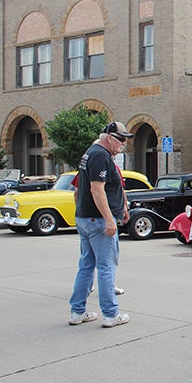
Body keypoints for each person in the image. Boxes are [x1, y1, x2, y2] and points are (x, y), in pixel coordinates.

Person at [68, 122, 133, 327]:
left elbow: (79, 189)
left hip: (86, 218)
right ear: (108, 138)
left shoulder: (91, 153)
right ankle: (111, 314)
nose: (123, 144)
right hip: (98, 220)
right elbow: (97, 189)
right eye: (121, 139)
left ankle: (77, 312)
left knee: (86, 265)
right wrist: (108, 218)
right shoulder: (100, 155)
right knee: (106, 267)